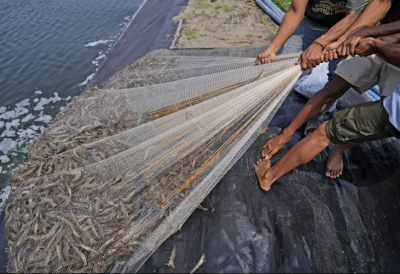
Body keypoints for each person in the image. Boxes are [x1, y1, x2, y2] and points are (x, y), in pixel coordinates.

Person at [255, 24, 400, 192]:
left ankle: (269, 176)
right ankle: (287, 135)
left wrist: (375, 45)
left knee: (368, 119)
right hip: (383, 44)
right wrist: (349, 40)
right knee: (368, 113)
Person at [255, 0, 392, 133]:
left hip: (351, 26)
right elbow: (295, 11)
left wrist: (323, 44)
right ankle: (262, 107)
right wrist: (272, 48)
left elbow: (352, 16)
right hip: (311, 23)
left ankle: (319, 116)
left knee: (337, 76)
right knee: (278, 65)